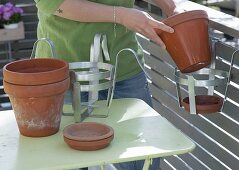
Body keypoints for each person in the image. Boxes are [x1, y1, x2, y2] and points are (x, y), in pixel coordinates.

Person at [34, 0, 177, 169]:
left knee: (143, 156)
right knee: (65, 160)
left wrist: (172, 8)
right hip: (64, 76)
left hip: (123, 69)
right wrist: (121, 15)